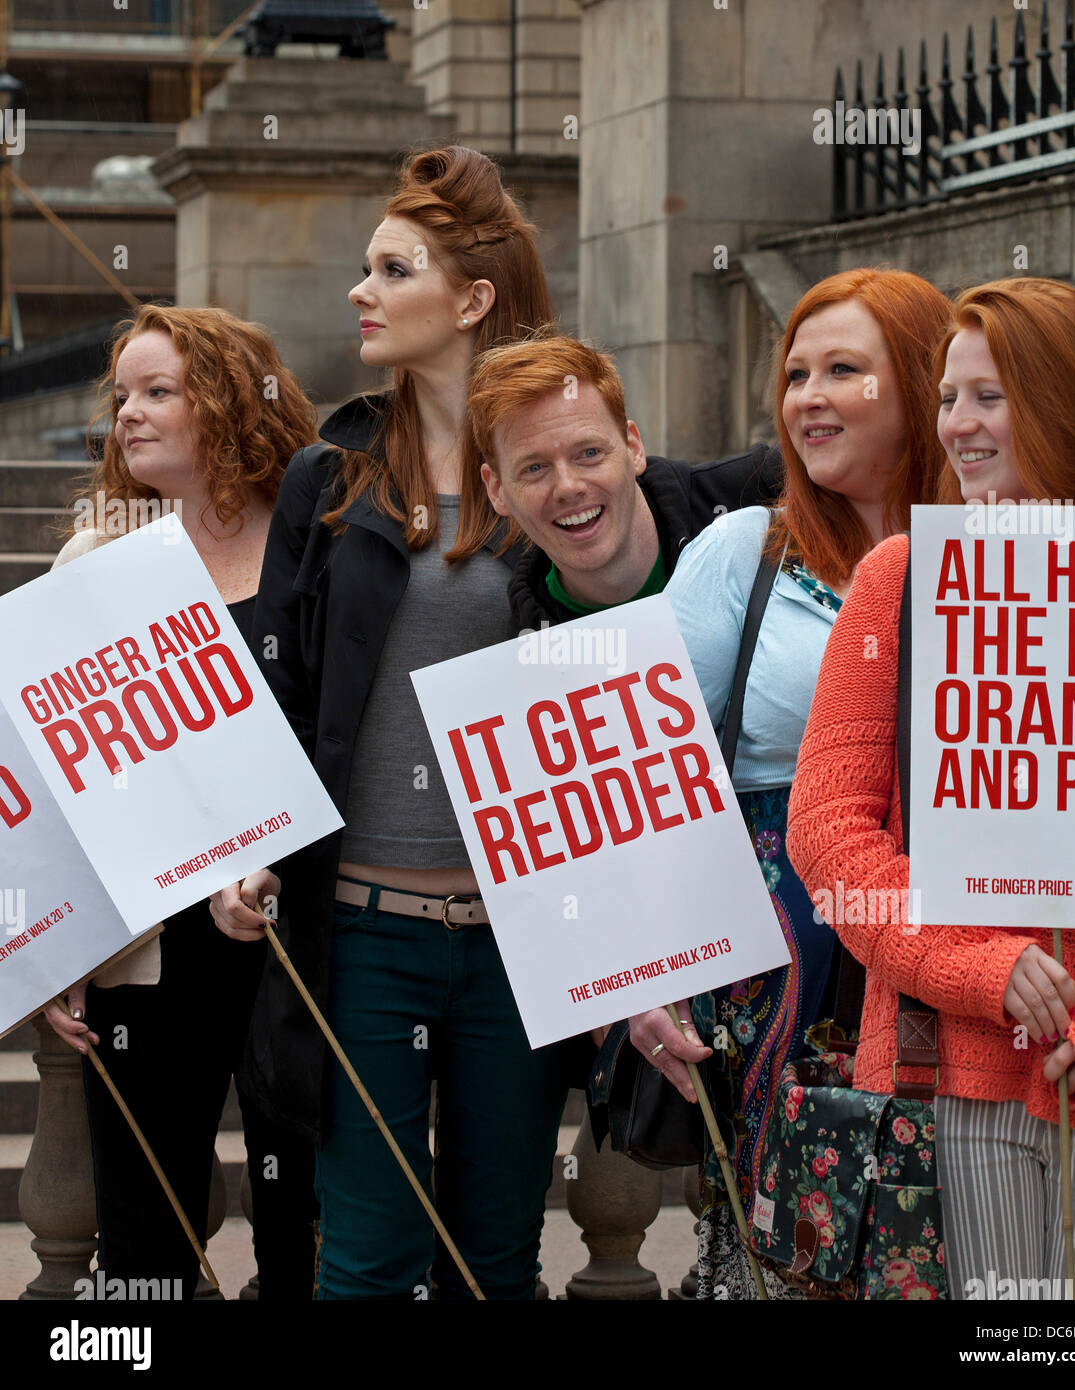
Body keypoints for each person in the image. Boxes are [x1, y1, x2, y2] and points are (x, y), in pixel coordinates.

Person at [208, 145, 571, 1300]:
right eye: (364, 267)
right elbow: (280, 687)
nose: (359, 292)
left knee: (496, 1265)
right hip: (361, 934)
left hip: (523, 944)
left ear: (471, 300)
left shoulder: (562, 472)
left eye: (390, 268)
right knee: (364, 1262)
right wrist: (246, 847)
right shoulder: (331, 474)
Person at [786, 276, 1075, 1300]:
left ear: (1066, 401)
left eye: (988, 396)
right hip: (949, 1071)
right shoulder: (899, 578)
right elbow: (828, 834)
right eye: (949, 397)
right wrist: (980, 968)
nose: (957, 425)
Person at [625, 268, 953, 1299]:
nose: (805, 396)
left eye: (842, 370)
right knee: (780, 1252)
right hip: (778, 955)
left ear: (920, 382)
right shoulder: (741, 551)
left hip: (958, 946)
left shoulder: (1006, 553)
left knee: (951, 1230)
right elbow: (643, 773)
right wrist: (647, 969)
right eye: (794, 373)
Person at [43, 303, 320, 1300]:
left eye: (159, 391)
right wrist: (58, 947)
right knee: (143, 1239)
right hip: (153, 946)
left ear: (228, 400)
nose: (129, 414)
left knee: (306, 1219)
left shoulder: (316, 549)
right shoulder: (94, 564)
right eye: (122, 394)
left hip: (295, 930)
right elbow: (48, 783)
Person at [467, 336, 783, 630]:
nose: (567, 487)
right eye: (534, 468)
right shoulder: (520, 661)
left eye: (589, 453)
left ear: (633, 448)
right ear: (496, 490)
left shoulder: (759, 491)